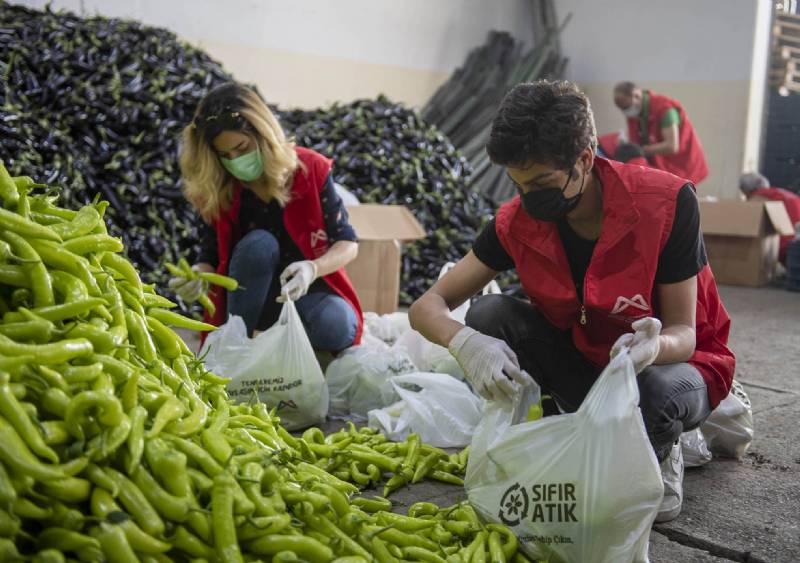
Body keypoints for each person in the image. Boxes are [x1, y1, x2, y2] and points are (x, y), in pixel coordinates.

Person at [408, 80, 735, 523]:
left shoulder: (666, 204)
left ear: (584, 159)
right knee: (488, 313)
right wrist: (466, 342)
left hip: (672, 367)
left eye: (542, 182)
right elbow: (426, 307)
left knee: (655, 392)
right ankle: (572, 424)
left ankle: (660, 448)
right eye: (517, 184)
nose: (528, 198)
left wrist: (652, 347)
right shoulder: (517, 221)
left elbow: (685, 333)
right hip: (586, 364)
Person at [174, 82, 363, 351]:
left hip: (306, 295)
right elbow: (210, 253)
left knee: (336, 323)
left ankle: (284, 351)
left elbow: (347, 243)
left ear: (263, 134)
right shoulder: (218, 187)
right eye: (225, 155)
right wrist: (196, 276)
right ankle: (239, 346)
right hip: (249, 305)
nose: (235, 160)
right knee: (259, 244)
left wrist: (313, 268)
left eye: (242, 148)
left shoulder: (310, 170)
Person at [613, 81, 708, 185]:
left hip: (682, 164)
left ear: (637, 95)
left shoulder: (665, 109)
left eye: (627, 107)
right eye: (622, 108)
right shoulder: (635, 113)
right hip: (662, 165)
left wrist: (640, 150)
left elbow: (671, 146)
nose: (625, 111)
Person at [740, 172, 800, 264]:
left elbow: (746, 224)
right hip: (795, 243)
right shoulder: (780, 193)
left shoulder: (759, 197)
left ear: (745, 190)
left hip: (788, 247)